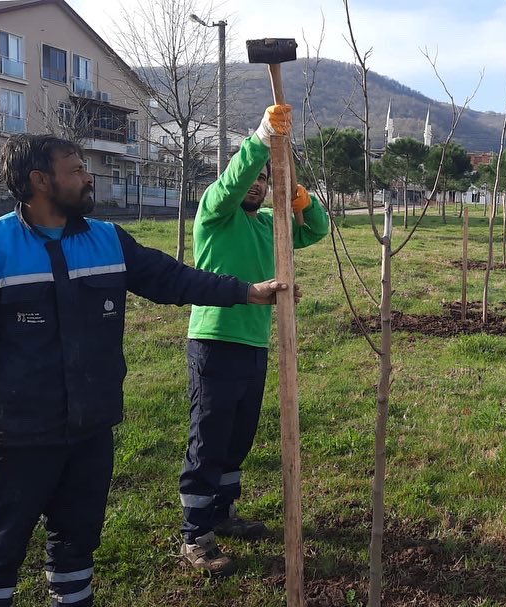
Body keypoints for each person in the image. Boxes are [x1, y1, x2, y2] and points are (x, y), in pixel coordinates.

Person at [0, 134, 295, 607]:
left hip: (91, 429)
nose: (88, 177)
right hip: (18, 435)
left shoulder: (106, 239)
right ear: (39, 180)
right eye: (75, 169)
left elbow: (171, 278)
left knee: (77, 544)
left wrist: (246, 291)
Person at [179, 104, 329, 573]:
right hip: (215, 339)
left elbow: (317, 231)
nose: (259, 185)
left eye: (266, 181)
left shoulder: (269, 226)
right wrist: (263, 138)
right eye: (255, 179)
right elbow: (231, 181)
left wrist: (299, 195)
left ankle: (223, 514)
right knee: (209, 435)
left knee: (239, 435)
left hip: (256, 344)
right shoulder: (216, 213)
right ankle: (195, 533)